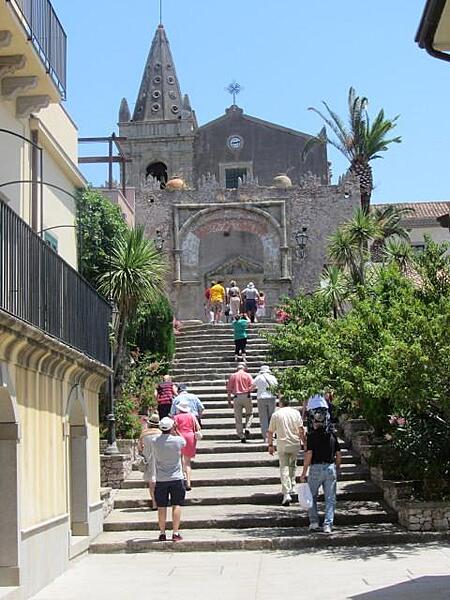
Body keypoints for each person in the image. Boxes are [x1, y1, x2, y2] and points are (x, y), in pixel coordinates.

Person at [300, 410, 342, 534]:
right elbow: (339, 454)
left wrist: (303, 472)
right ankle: (328, 525)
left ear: (314, 422)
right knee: (330, 498)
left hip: (316, 468)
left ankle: (314, 522)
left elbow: (309, 454)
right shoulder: (332, 435)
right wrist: (337, 468)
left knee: (312, 496)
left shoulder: (312, 436)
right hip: (330, 467)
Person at [151, 416, 186, 542]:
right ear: (172, 427)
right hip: (176, 477)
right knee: (176, 505)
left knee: (161, 506)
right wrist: (176, 430)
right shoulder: (177, 441)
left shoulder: (155, 441)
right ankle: (175, 533)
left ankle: (162, 533)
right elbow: (184, 441)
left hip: (161, 479)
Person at [267, 397, 305, 506]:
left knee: (284, 467)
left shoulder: (276, 414)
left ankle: (286, 493)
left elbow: (270, 432)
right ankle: (292, 485)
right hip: (294, 442)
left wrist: (270, 445)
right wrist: (305, 442)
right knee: (293, 465)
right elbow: (301, 429)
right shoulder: (296, 413)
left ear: (280, 403)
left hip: (282, 443)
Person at [173, 399, 201, 491]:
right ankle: (188, 482)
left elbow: (173, 428)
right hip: (190, 437)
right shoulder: (192, 416)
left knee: (179, 460)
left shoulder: (176, 417)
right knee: (187, 462)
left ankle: (182, 479)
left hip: (179, 437)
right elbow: (198, 427)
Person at [138, 413, 161, 510]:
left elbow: (139, 449)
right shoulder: (161, 433)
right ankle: (161, 501)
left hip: (148, 460)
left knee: (151, 482)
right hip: (160, 460)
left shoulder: (143, 434)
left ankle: (154, 502)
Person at [227, 363, 254, 442]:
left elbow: (229, 389)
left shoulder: (233, 376)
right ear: (244, 368)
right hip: (246, 396)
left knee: (238, 417)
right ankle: (247, 428)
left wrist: (229, 400)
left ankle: (241, 435)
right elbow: (252, 386)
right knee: (250, 414)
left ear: (237, 369)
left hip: (236, 397)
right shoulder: (248, 375)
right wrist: (249, 390)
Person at [253, 365, 278, 441]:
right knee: (271, 417)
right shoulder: (273, 377)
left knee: (263, 418)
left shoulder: (258, 377)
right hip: (271, 398)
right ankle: (272, 435)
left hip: (261, 398)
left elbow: (253, 386)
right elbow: (277, 386)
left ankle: (266, 437)